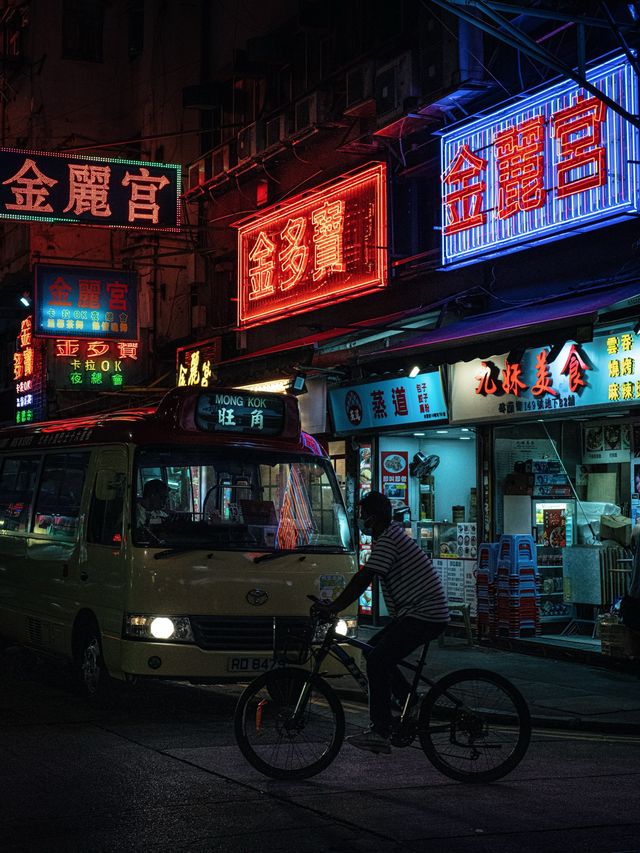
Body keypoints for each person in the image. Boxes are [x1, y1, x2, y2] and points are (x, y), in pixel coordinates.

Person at [314, 490, 449, 755]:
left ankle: (380, 730)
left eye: (363, 516)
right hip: (417, 613)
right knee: (372, 649)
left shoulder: (388, 539)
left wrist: (335, 607)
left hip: (424, 615)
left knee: (377, 660)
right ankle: (410, 700)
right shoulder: (391, 537)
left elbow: (366, 577)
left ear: (374, 518)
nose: (361, 521)